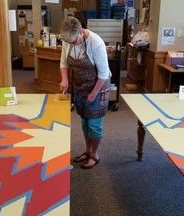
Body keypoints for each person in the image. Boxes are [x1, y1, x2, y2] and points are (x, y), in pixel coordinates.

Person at [59, 17, 111, 169]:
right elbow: (63, 62)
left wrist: (93, 94)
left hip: (98, 86)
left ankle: (95, 154)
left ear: (81, 32)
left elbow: (103, 74)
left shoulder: (96, 43)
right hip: (81, 85)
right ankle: (87, 151)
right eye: (68, 42)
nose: (70, 44)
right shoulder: (68, 39)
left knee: (94, 123)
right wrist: (65, 80)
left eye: (73, 42)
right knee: (84, 121)